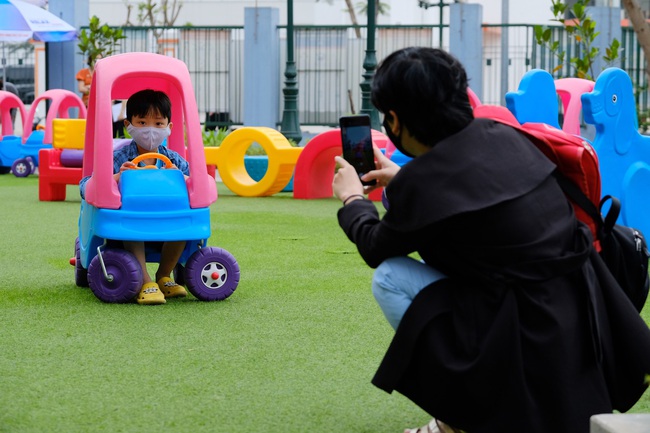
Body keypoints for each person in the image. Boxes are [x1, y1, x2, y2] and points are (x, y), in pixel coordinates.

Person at [332, 47, 650, 433]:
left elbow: (374, 245)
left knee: (389, 277)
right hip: (583, 319)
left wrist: (351, 199)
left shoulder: (426, 181)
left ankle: (462, 410)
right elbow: (477, 196)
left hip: (518, 333)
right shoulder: (506, 135)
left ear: (395, 120)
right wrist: (402, 179)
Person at [80, 89, 190, 305]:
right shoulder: (119, 158)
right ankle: (145, 281)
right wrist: (117, 177)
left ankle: (164, 275)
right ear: (128, 125)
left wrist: (181, 178)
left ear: (169, 127)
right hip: (128, 228)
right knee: (132, 223)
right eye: (142, 122)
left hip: (166, 222)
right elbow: (85, 186)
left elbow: (193, 184)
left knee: (184, 226)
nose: (150, 130)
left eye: (158, 124)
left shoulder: (173, 160)